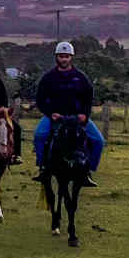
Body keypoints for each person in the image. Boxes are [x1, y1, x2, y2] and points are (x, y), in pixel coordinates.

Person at [32, 41, 103, 185]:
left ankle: (88, 171)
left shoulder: (81, 77)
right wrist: (51, 113)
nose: (64, 59)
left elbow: (88, 98)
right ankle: (42, 168)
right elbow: (40, 99)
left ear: (71, 57)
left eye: (67, 56)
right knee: (39, 136)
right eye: (61, 56)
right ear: (56, 57)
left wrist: (85, 114)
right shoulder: (48, 77)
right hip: (55, 117)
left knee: (98, 141)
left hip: (77, 118)